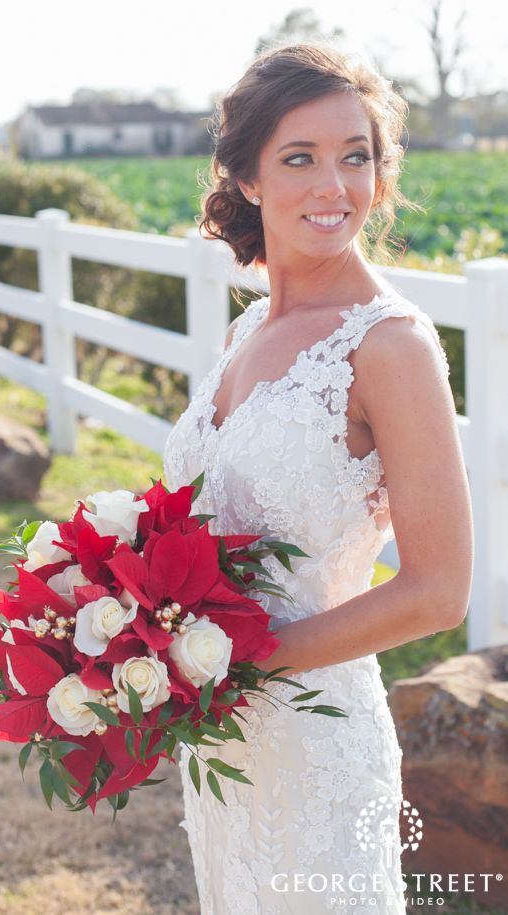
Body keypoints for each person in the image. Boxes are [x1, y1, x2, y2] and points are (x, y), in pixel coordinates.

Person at [162, 39, 473, 914]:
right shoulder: (249, 329)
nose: (333, 186)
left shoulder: (392, 346)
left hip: (315, 738)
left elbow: (438, 592)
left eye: (356, 157)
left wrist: (240, 664)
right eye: (299, 158)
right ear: (250, 178)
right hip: (219, 743)